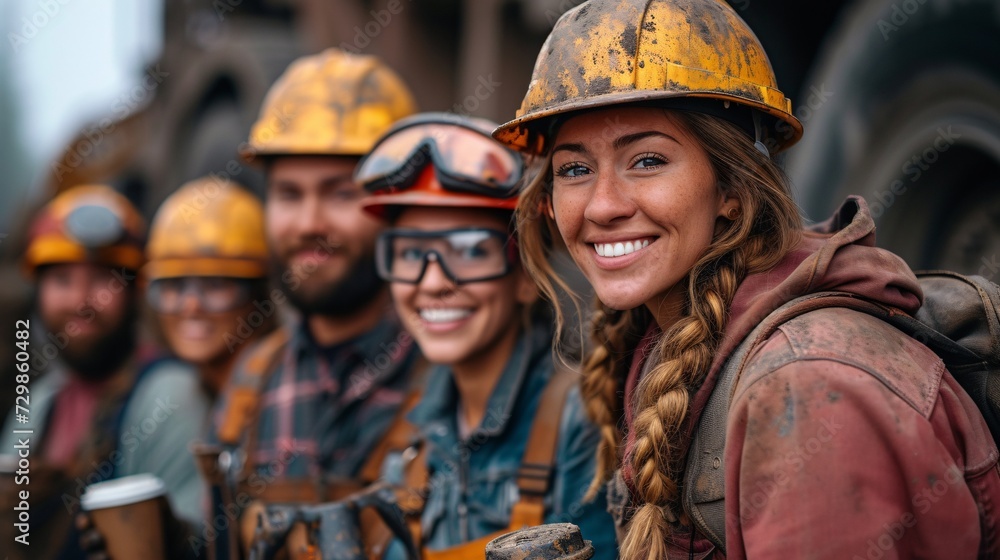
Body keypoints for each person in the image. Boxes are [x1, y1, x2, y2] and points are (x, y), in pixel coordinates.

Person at [492, 0, 1000, 558]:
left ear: (733, 189)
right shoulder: (670, 340)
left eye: (647, 161)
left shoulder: (810, 392)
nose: (603, 205)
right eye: (574, 170)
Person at [355, 113, 618, 559]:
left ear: (526, 276)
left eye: (471, 250)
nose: (432, 282)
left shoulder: (582, 422)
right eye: (412, 253)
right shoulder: (411, 434)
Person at [203, 48, 424, 560]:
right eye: (288, 194)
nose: (308, 224)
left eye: (339, 193)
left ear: (399, 207)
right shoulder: (248, 388)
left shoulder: (456, 380)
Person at [0, 185, 209, 560]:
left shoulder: (171, 396)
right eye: (62, 280)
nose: (80, 301)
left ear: (134, 293)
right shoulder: (39, 404)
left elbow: (201, 540)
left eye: (101, 281)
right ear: (39, 292)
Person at [144, 177, 277, 397]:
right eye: (174, 285)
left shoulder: (281, 393)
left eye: (215, 285)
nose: (191, 305)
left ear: (259, 294)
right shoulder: (192, 394)